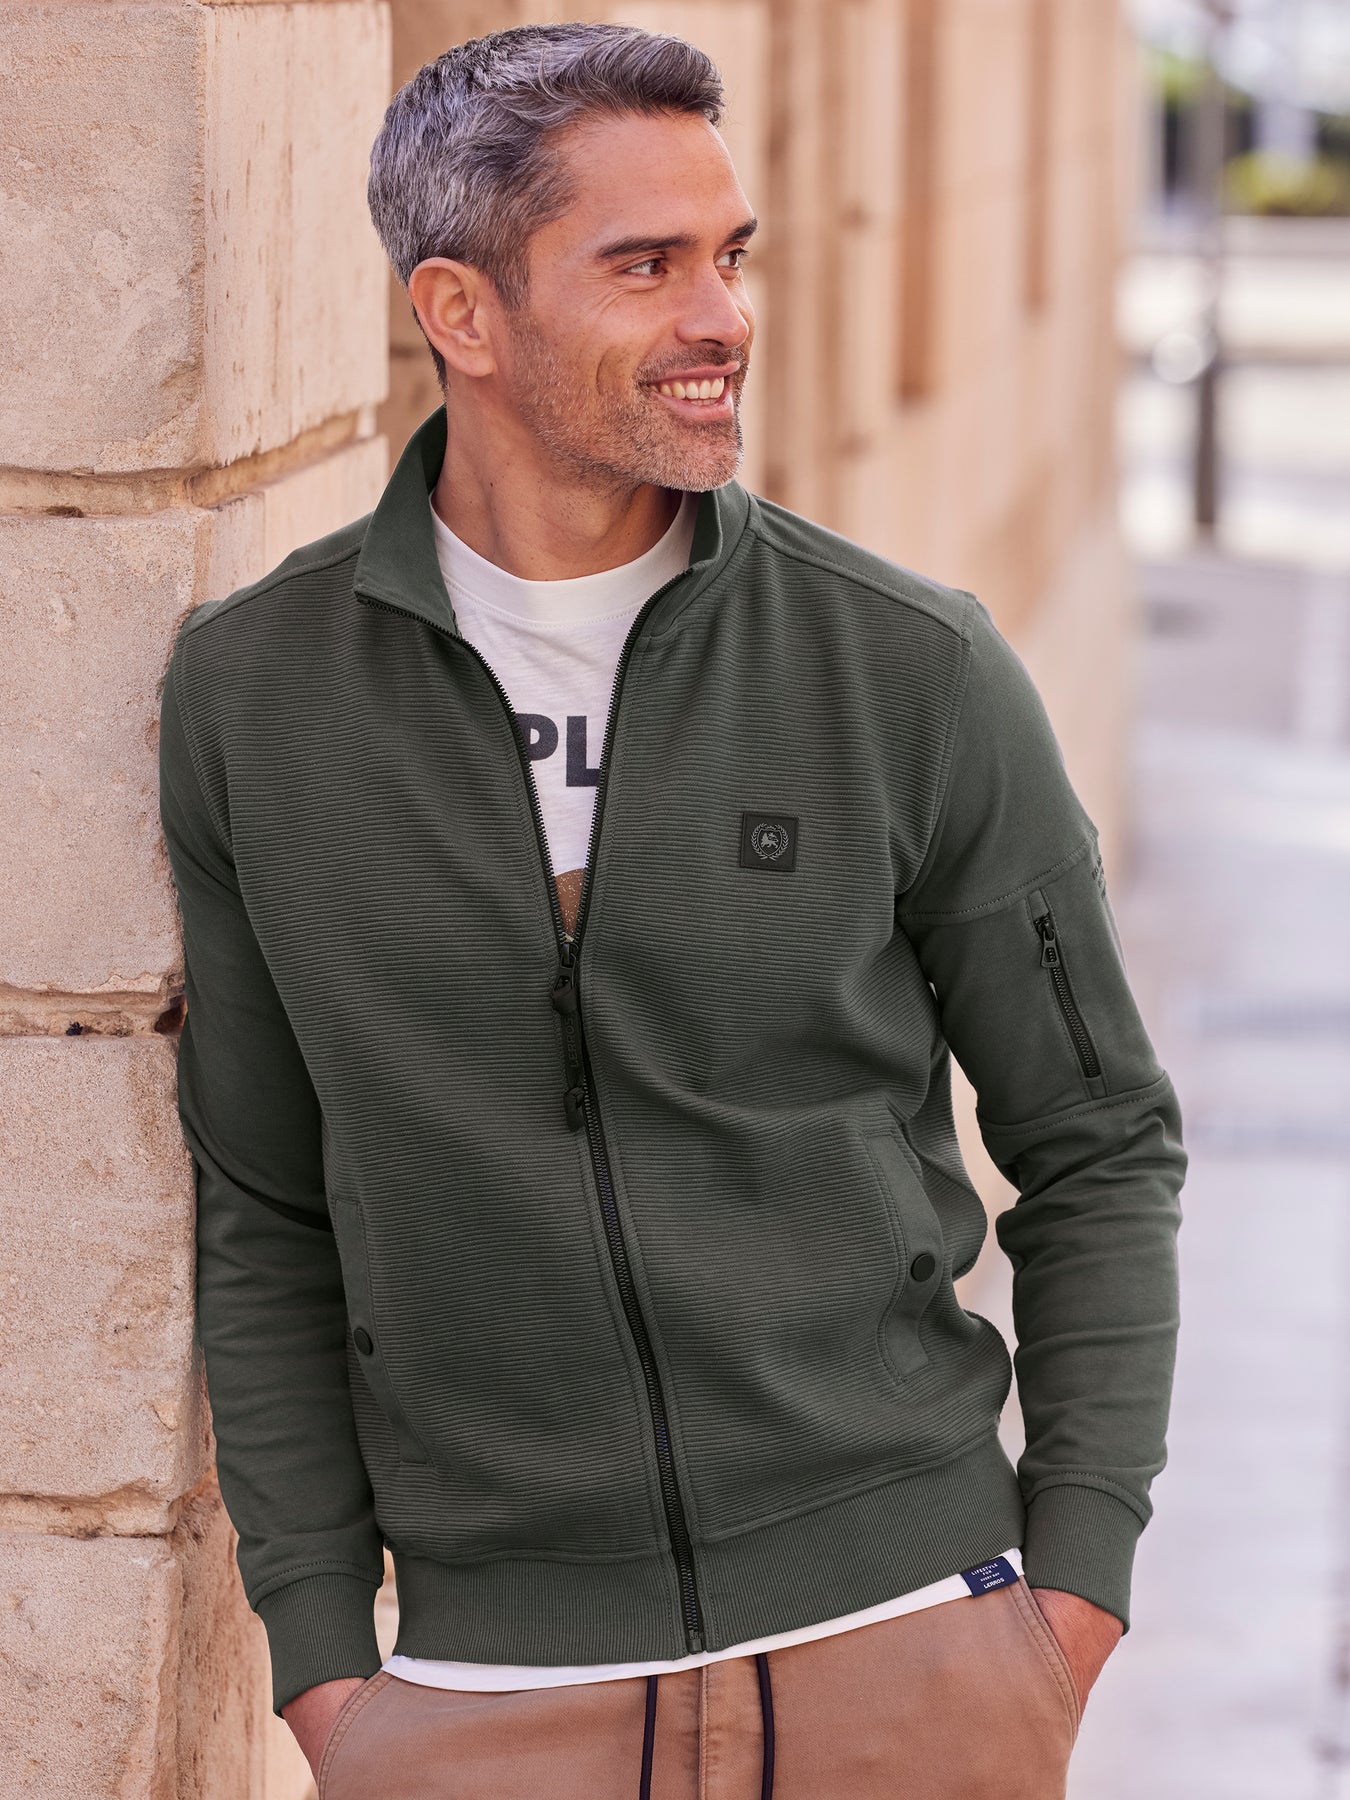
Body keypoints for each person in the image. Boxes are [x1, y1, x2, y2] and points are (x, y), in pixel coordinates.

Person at [157, 22, 1185, 1799]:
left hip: (908, 1652)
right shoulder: (260, 699)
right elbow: (262, 1201)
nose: (723, 318)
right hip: (481, 1698)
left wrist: (1071, 1587)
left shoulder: (902, 667)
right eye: (645, 267)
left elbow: (1095, 1138)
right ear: (460, 314)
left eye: (731, 256)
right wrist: (323, 1660)